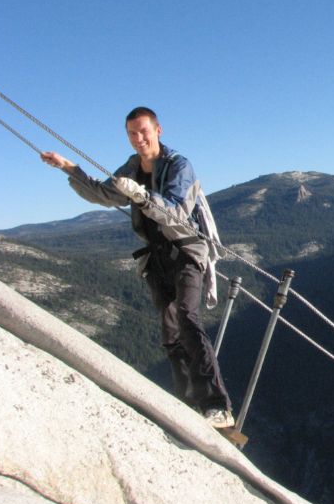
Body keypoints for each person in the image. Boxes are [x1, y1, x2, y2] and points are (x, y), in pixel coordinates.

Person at [41, 107, 234, 428]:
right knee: (171, 333)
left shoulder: (179, 166)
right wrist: (68, 168)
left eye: (143, 131)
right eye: (132, 133)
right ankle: (190, 403)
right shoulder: (130, 169)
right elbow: (104, 194)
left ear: (158, 130)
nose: (138, 138)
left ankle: (218, 405)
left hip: (185, 250)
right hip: (155, 255)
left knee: (187, 318)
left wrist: (144, 197)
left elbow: (175, 211)